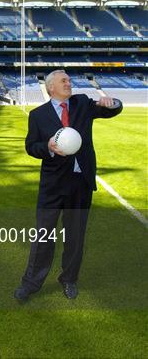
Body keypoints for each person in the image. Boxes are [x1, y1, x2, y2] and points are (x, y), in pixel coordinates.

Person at [14, 70, 123, 303]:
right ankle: (31, 283)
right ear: (51, 87)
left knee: (75, 237)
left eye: (69, 80)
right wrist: (49, 147)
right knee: (43, 236)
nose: (68, 83)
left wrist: (113, 103)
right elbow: (31, 146)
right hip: (52, 186)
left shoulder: (82, 103)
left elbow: (112, 110)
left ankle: (69, 279)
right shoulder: (38, 115)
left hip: (79, 184)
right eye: (63, 80)